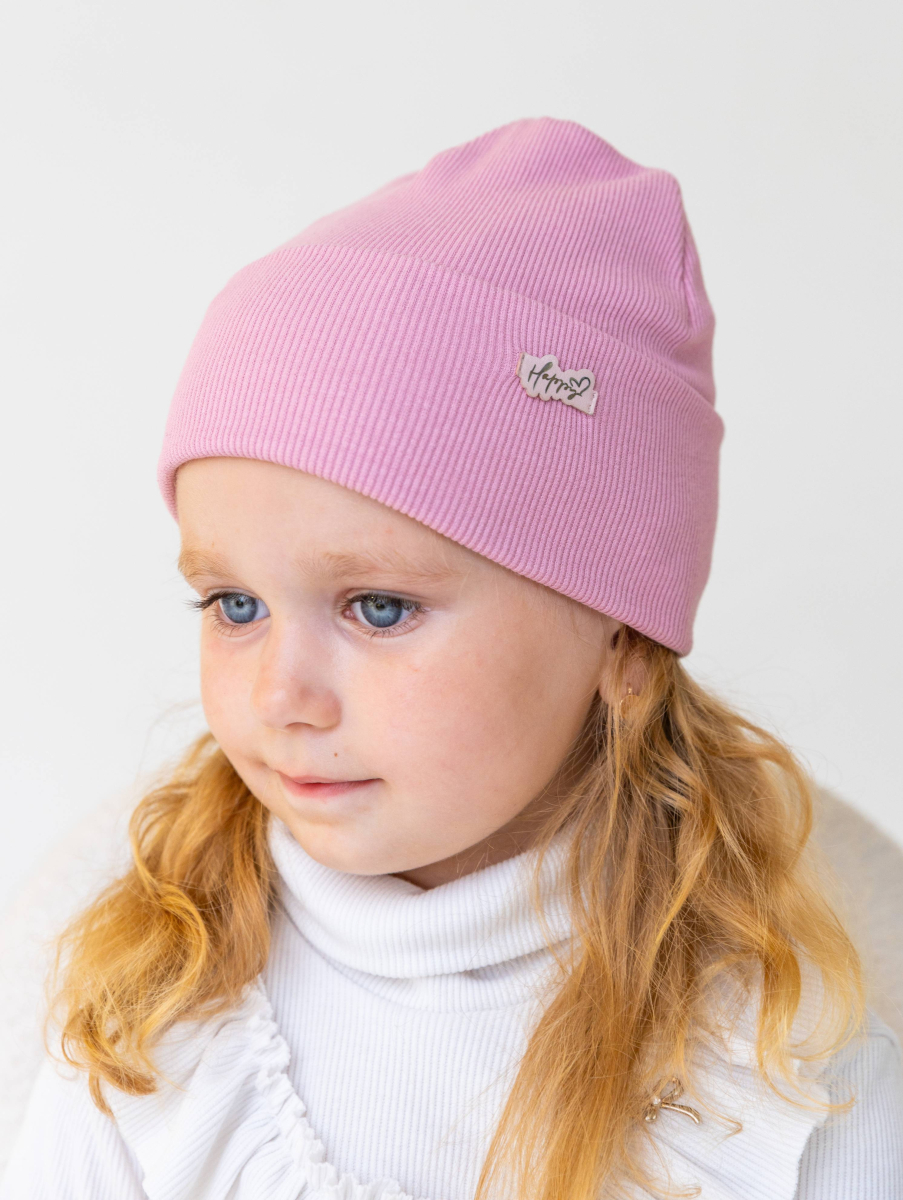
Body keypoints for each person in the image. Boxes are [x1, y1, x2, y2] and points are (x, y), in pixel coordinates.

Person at [2, 117, 901, 1200]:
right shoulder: (148, 1016)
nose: (280, 696)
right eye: (235, 605)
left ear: (622, 640)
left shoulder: (780, 1075)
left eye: (378, 608)